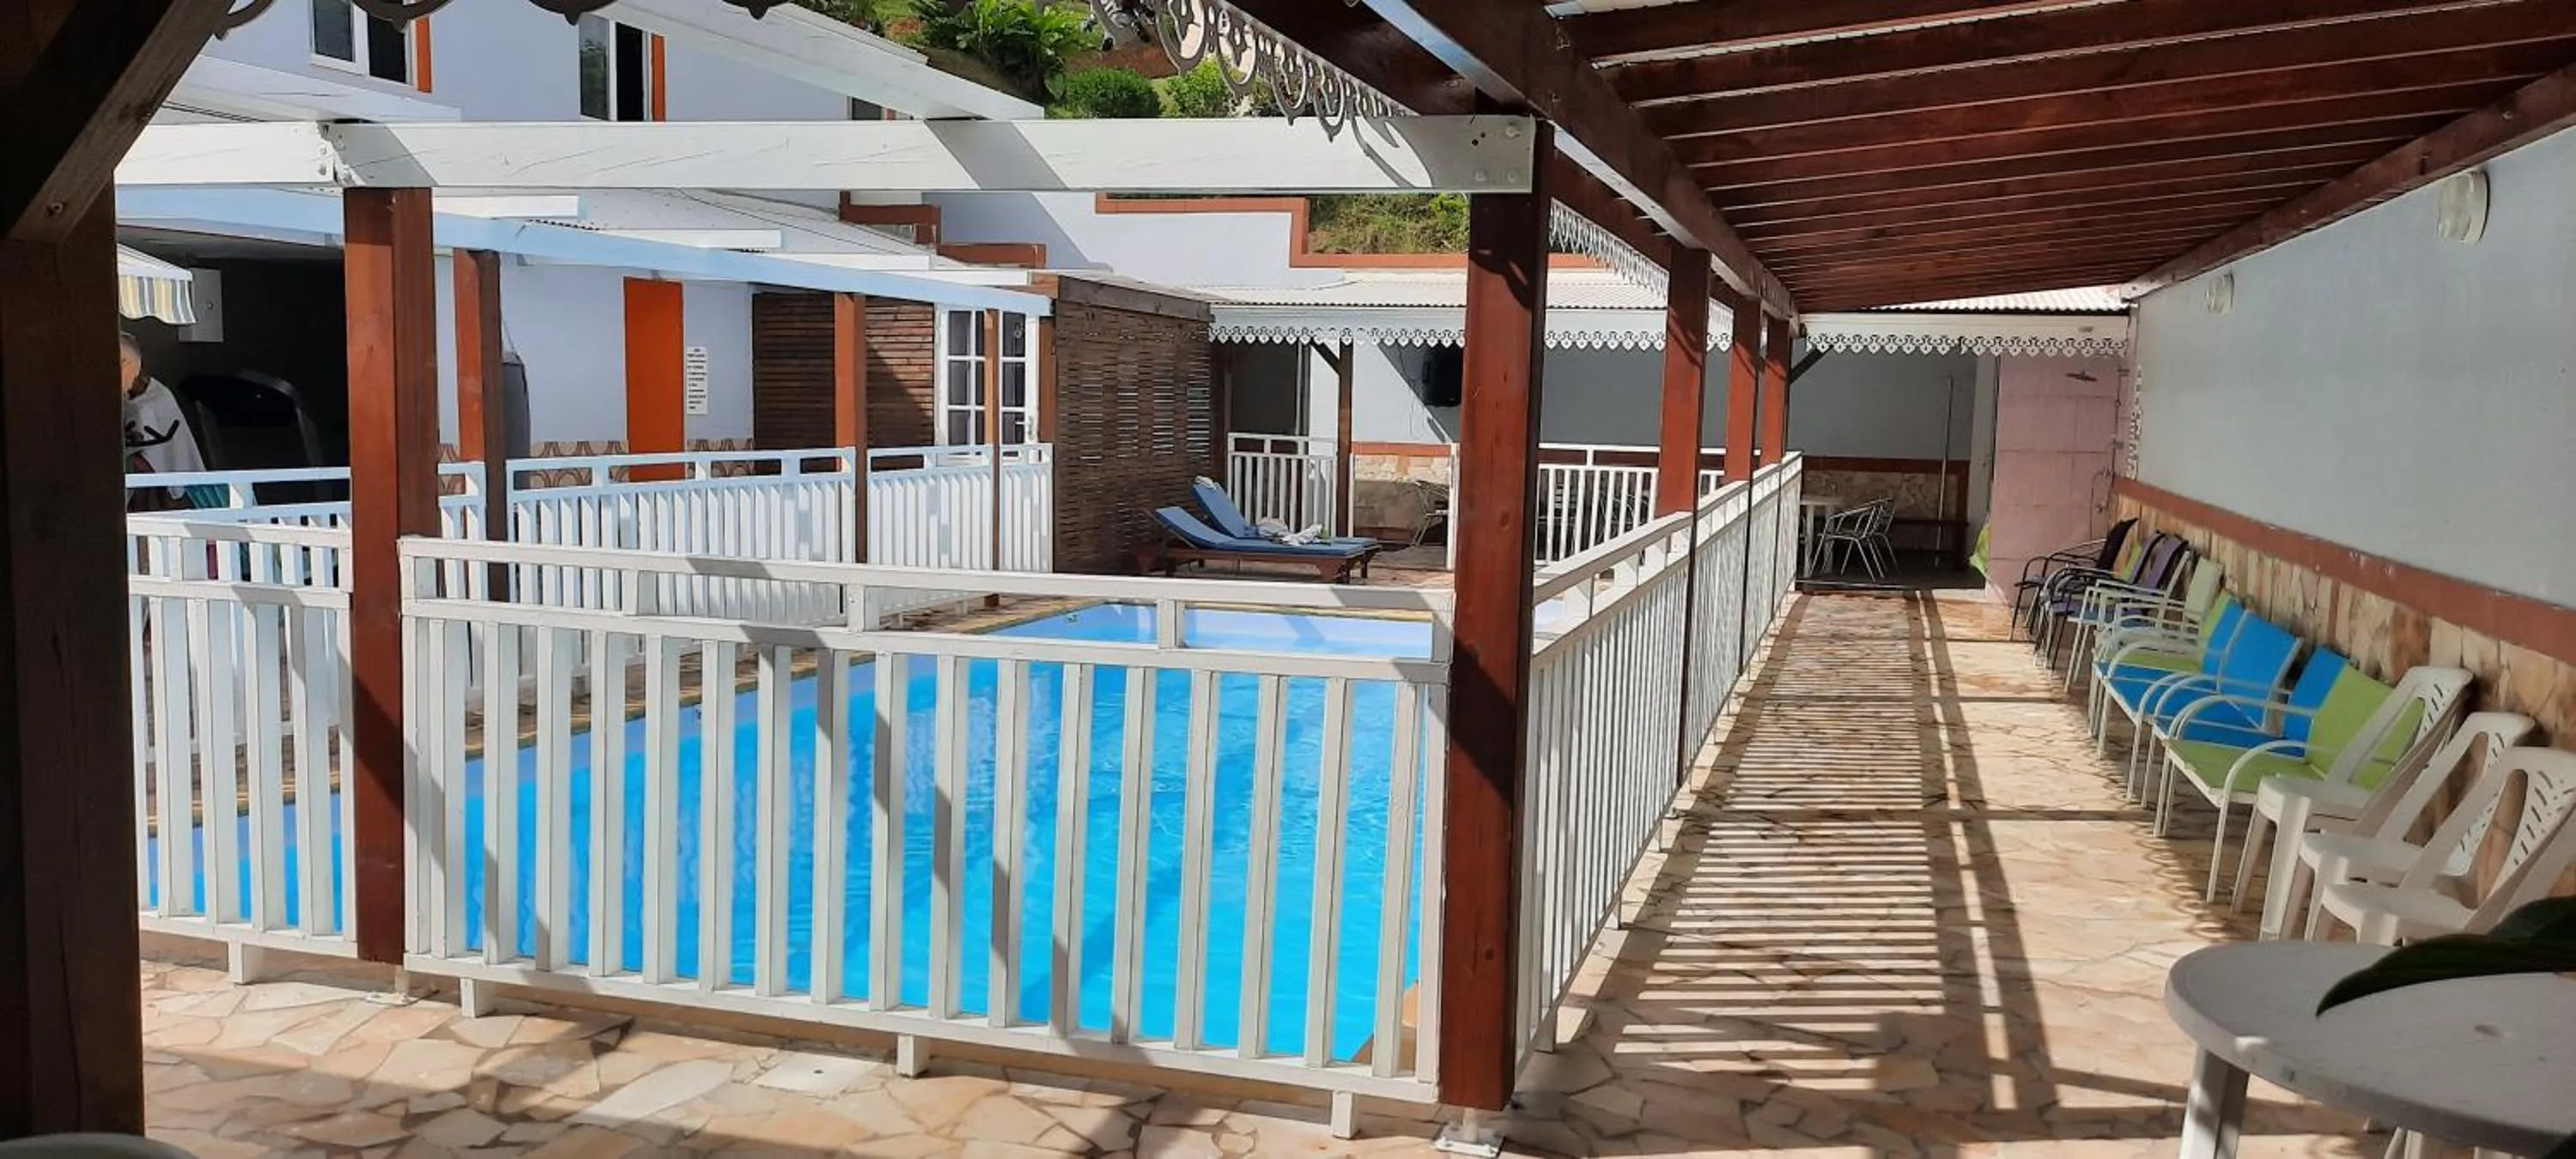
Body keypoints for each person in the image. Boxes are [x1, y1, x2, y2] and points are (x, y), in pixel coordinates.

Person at [120, 331, 207, 511]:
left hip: (159, 487)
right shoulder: (153, 392)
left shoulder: (149, 402)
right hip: (161, 481)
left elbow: (152, 456)